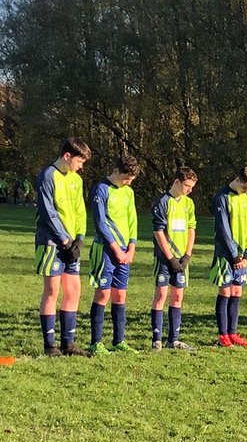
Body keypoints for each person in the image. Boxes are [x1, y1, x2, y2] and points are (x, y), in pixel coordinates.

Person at [34, 138, 91, 356]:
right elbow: (48, 212)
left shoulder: (76, 179)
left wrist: (79, 238)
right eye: (79, 161)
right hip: (50, 242)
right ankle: (50, 345)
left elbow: (80, 210)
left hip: (71, 245)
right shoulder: (47, 176)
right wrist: (64, 240)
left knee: (74, 289)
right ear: (67, 156)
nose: (81, 167)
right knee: (52, 290)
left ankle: (69, 343)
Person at [87, 156, 140, 355]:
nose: (129, 182)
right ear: (116, 171)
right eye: (127, 178)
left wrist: (132, 247)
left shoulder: (129, 192)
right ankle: (96, 342)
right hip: (106, 249)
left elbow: (133, 220)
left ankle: (119, 341)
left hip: (125, 251)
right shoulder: (101, 189)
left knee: (120, 294)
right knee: (103, 293)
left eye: (132, 180)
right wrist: (116, 249)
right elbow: (100, 222)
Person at [150, 167, 198, 351]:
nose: (189, 190)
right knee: (161, 295)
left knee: (177, 296)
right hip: (164, 258)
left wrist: (187, 255)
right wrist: (170, 258)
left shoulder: (189, 204)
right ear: (177, 182)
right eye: (187, 185)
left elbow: (191, 230)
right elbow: (158, 232)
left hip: (181, 259)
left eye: (192, 187)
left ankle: (174, 339)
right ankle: (157, 339)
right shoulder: (162, 202)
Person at [210, 165, 247, 347]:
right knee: (226, 291)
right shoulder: (222, 197)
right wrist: (235, 256)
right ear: (237, 180)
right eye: (245, 187)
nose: (246, 191)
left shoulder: (244, 198)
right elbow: (223, 229)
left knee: (237, 291)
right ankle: (223, 335)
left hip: (241, 255)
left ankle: (233, 332)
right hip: (226, 254)